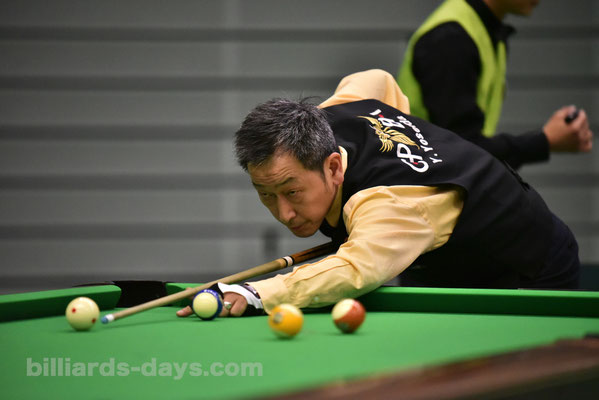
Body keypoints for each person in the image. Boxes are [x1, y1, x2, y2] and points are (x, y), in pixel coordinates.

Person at [177, 69, 580, 318]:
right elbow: (378, 79)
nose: (284, 213)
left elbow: (356, 268)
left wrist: (258, 292)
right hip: (445, 262)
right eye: (266, 195)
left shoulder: (389, 205)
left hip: (527, 264)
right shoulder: (335, 116)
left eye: (292, 191)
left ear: (333, 167)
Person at [397, 0, 593, 169]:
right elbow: (461, 152)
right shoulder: (451, 39)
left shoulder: (484, 30)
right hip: (421, 193)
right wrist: (544, 142)